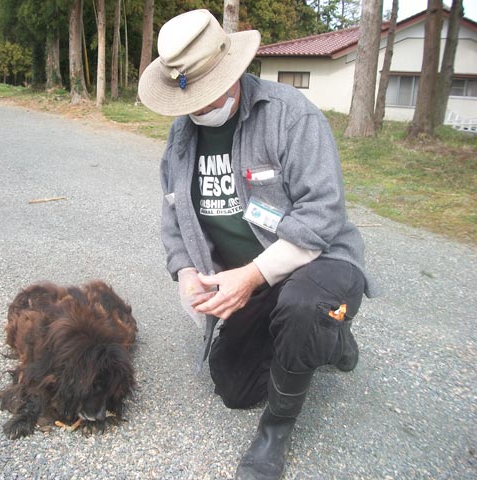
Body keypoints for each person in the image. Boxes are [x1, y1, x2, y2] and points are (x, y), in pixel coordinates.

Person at [138, 8, 379, 480]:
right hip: (254, 282)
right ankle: (324, 340)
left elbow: (322, 215)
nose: (198, 108)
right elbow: (174, 216)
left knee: (305, 304)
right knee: (234, 388)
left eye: (208, 94)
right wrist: (188, 276)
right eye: (189, 99)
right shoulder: (181, 136)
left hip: (318, 263)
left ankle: (275, 433)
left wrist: (250, 277)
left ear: (233, 73)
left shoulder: (291, 115)